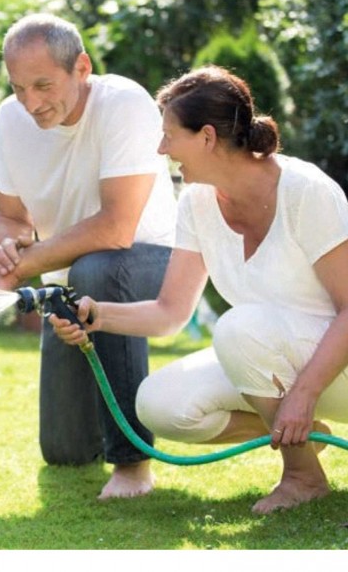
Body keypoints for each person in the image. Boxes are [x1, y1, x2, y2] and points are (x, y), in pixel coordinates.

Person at [50, 65, 348, 514]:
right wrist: (99, 315)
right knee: (159, 404)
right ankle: (302, 433)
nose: (162, 149)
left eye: (170, 136)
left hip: (337, 367)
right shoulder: (198, 202)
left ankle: (302, 476)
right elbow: (171, 311)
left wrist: (303, 395)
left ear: (207, 137)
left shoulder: (305, 191)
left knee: (237, 327)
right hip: (270, 356)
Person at [0, 13, 177, 499]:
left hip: (153, 263)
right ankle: (94, 443)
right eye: (18, 87)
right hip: (70, 276)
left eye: (43, 85)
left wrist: (15, 273)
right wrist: (6, 253)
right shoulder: (11, 119)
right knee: (65, 451)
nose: (30, 103)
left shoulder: (123, 104)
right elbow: (10, 217)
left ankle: (133, 466)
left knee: (98, 269)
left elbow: (116, 227)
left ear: (81, 67)